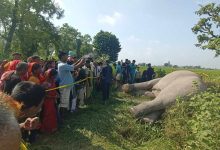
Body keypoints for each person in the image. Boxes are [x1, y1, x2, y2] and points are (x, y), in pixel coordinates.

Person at [40, 69, 58, 133]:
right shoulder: (45, 84)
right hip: (47, 102)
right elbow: (44, 95)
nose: (56, 76)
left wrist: (56, 94)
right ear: (50, 75)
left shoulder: (52, 81)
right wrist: (53, 97)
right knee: (48, 115)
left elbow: (54, 89)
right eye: (54, 75)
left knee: (53, 114)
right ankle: (46, 129)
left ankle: (53, 127)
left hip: (52, 101)